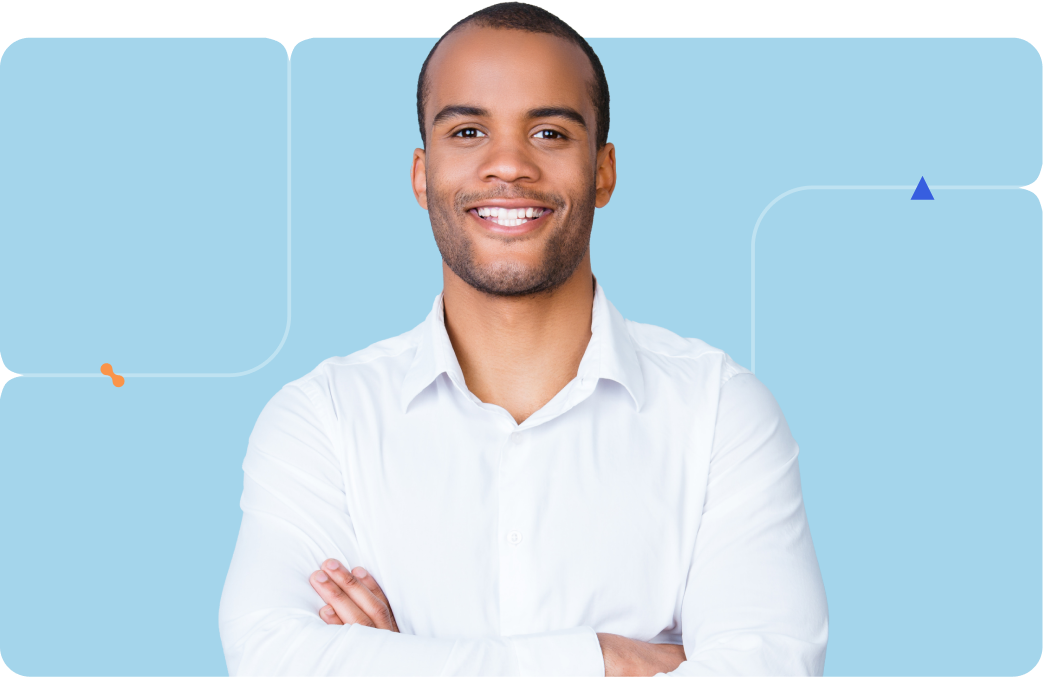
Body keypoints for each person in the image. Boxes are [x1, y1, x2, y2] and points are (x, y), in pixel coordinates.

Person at [218, 3, 829, 676]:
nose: (507, 165)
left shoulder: (719, 413)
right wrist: (600, 657)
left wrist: (397, 660)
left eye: (548, 133)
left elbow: (765, 666)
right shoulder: (323, 419)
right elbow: (273, 656)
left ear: (603, 171)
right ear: (422, 175)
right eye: (469, 130)